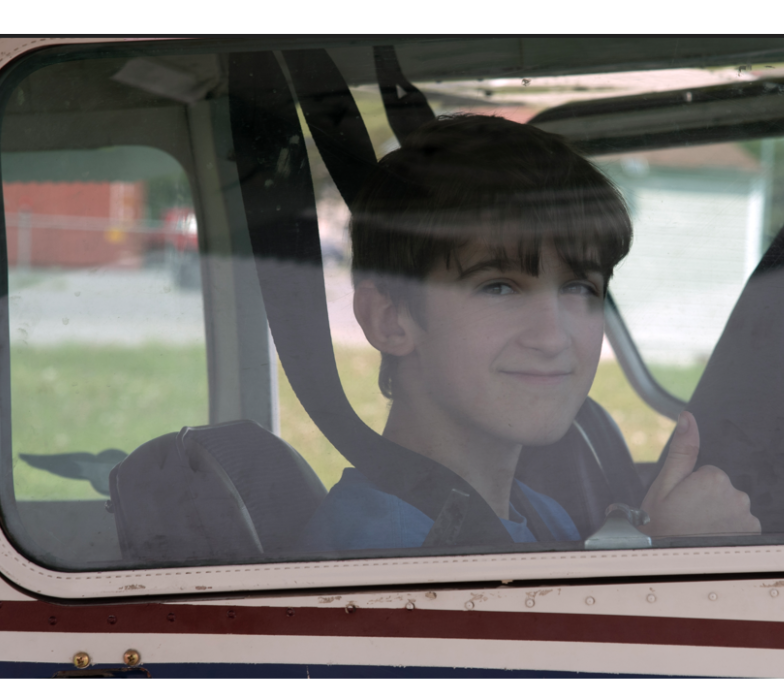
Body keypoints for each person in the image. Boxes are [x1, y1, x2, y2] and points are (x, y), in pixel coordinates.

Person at [299, 114, 759, 551]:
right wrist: (660, 558)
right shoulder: (383, 548)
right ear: (389, 319)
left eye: (580, 287)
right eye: (498, 287)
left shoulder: (536, 513)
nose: (553, 337)